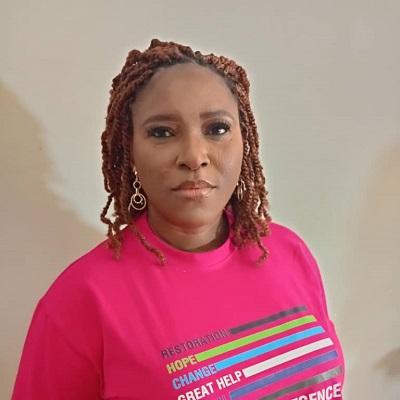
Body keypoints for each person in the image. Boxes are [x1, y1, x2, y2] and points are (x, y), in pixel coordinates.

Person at [12, 39, 345, 400]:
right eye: (162, 132)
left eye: (217, 128)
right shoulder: (80, 299)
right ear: (130, 151)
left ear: (245, 138)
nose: (194, 155)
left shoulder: (287, 251)